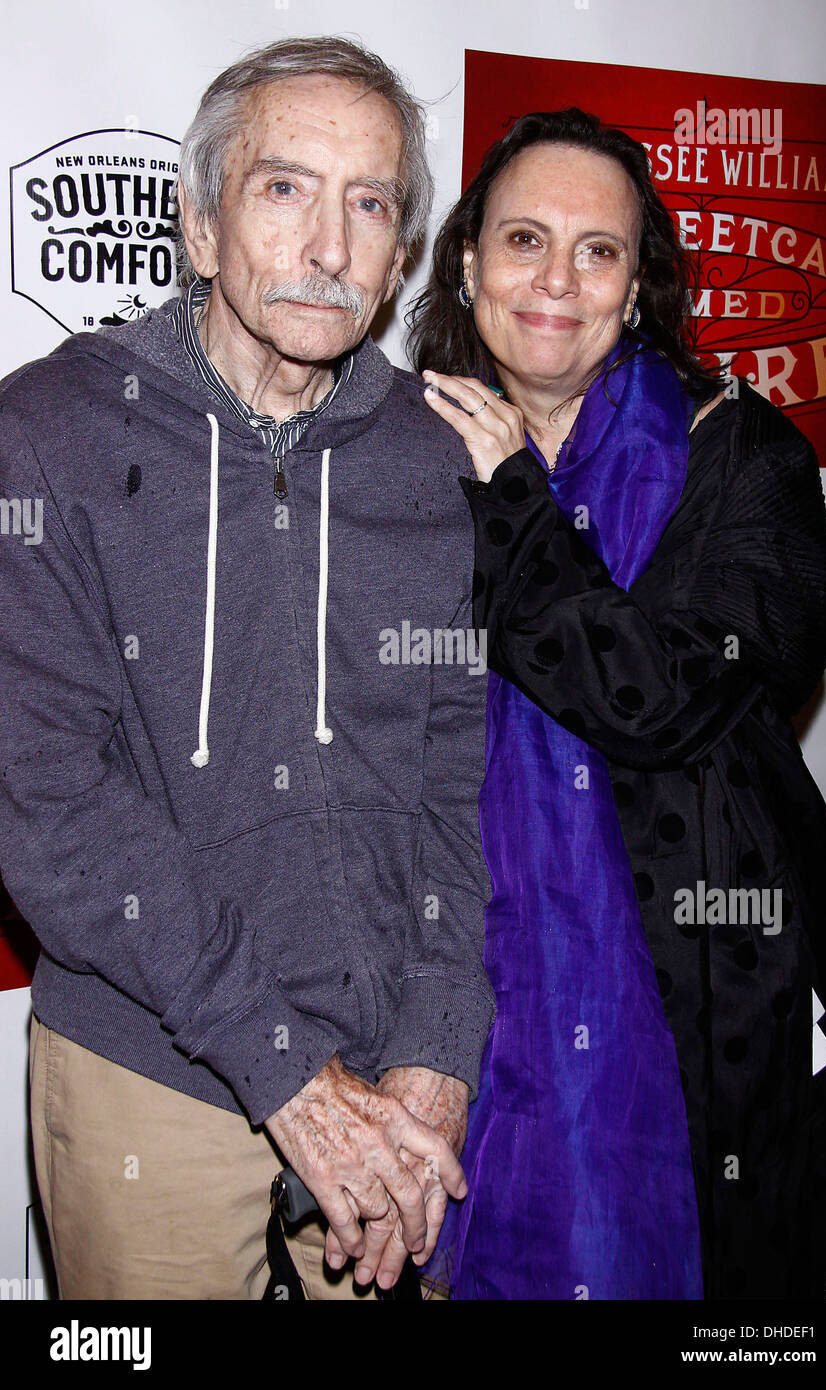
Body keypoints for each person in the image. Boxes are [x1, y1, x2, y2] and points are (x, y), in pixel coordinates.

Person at [0, 36, 496, 1300]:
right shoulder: (45, 432)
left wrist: (438, 1052)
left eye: (369, 203)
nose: (328, 245)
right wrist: (279, 1067)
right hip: (150, 1063)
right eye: (284, 189)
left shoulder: (442, 467)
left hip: (392, 1075)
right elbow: (51, 806)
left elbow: (463, 793)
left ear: (396, 261)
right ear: (205, 228)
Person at [409, 105, 826, 1300]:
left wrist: (513, 497)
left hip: (701, 1009)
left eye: (596, 250)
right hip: (459, 992)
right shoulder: (399, 462)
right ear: (466, 262)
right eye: (522, 240)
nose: (556, 278)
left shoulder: (745, 456)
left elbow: (655, 696)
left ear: (634, 283)